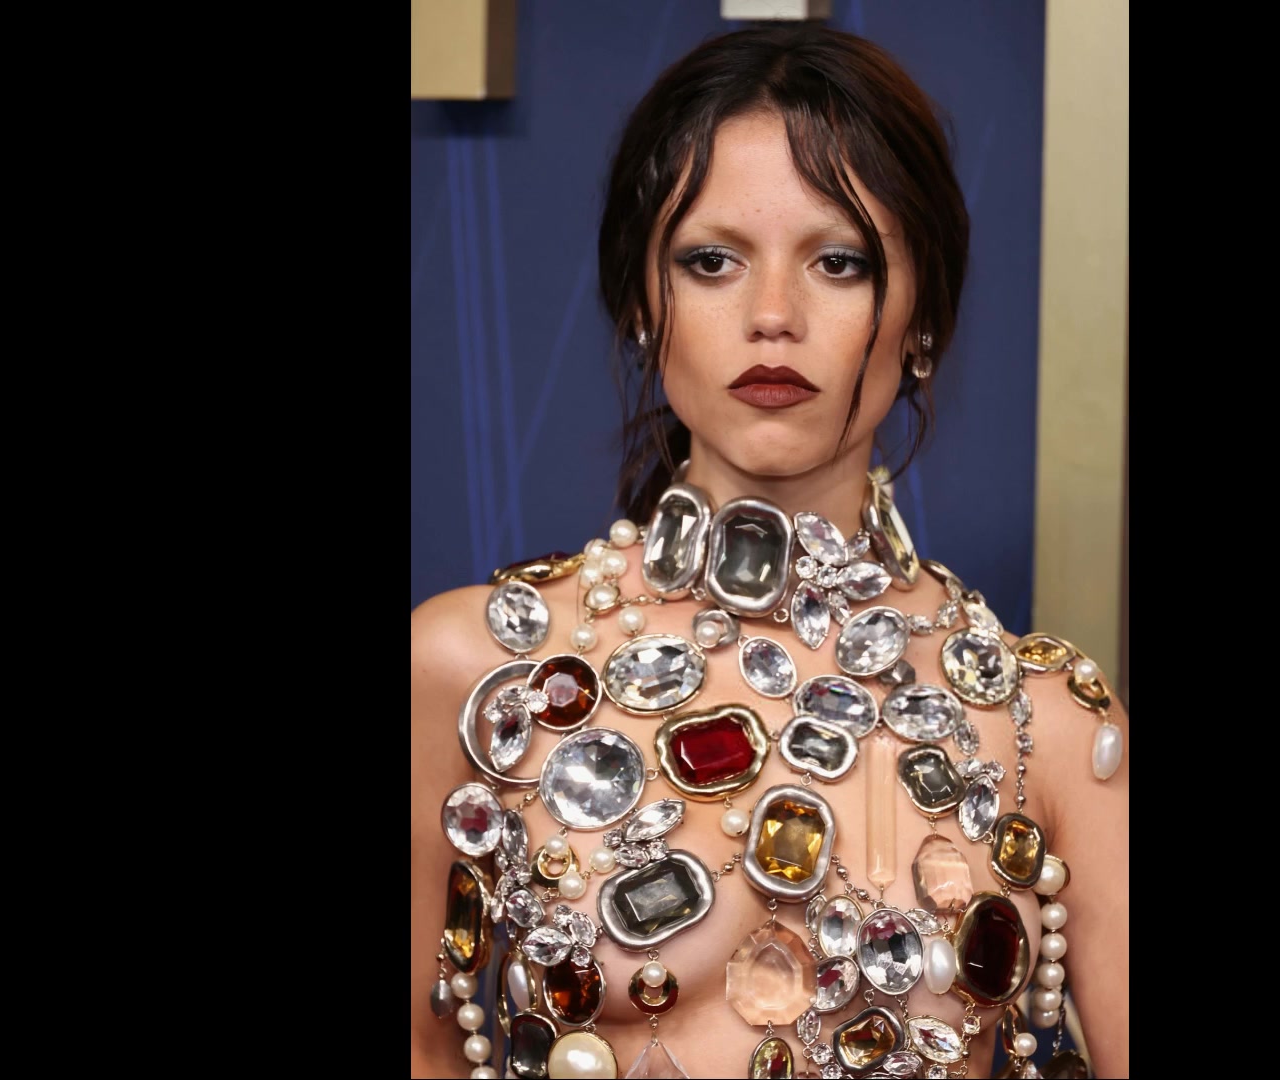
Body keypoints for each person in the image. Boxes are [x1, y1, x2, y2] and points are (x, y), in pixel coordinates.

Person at [412, 24, 1128, 1079]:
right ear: (642, 303)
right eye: (712, 262)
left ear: (923, 316)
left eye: (839, 262)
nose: (773, 317)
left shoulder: (1047, 726)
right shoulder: (475, 674)